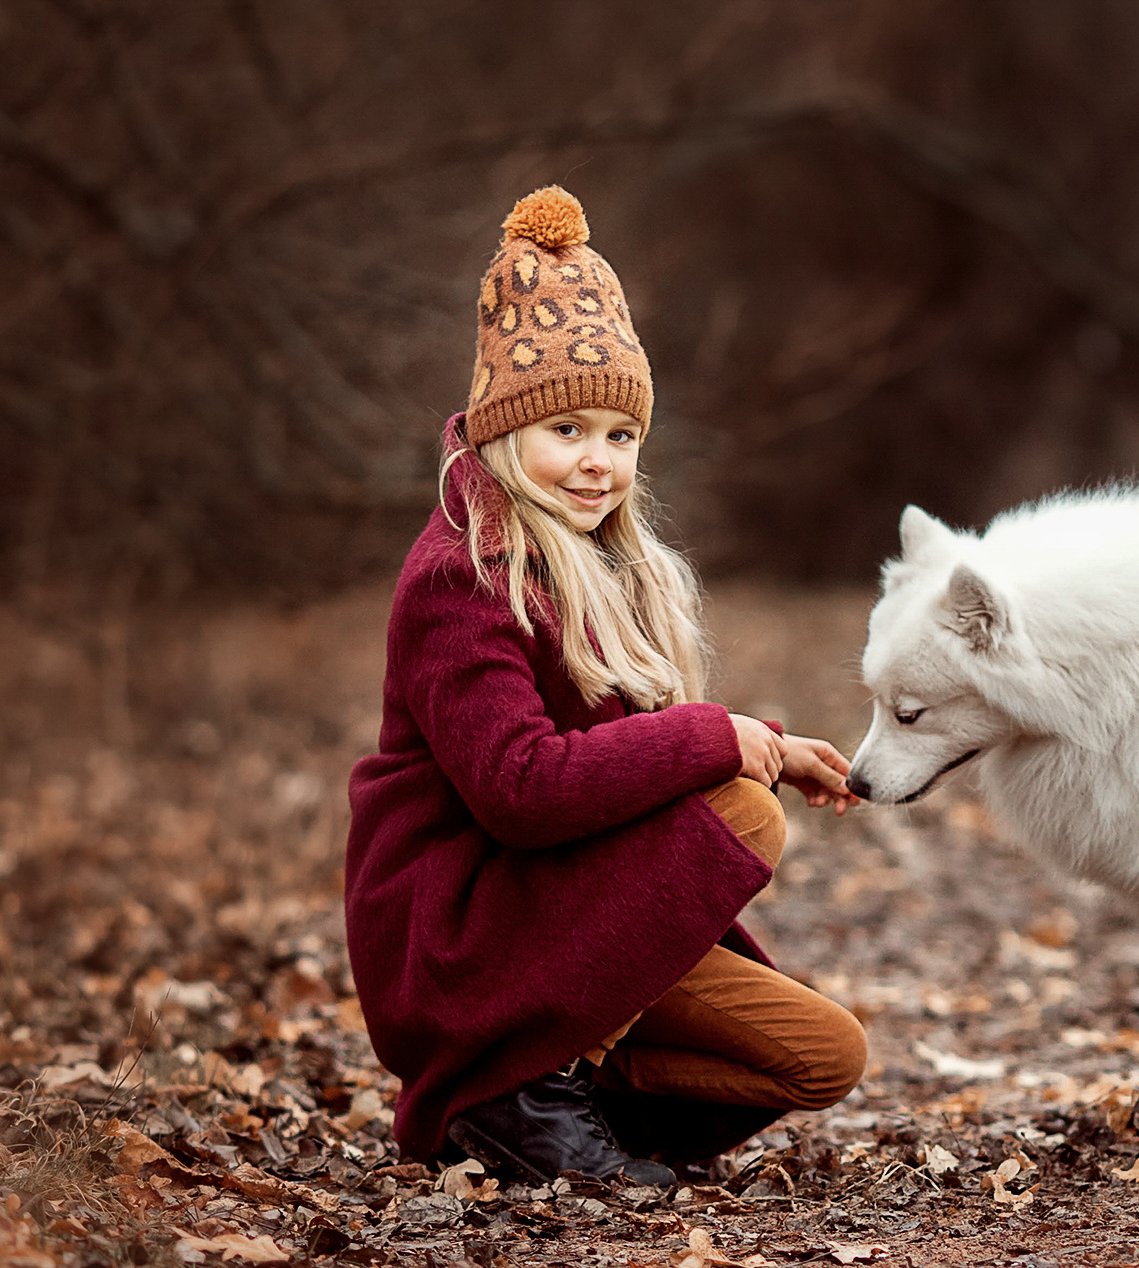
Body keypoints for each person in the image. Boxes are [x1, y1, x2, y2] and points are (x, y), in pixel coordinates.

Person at [345, 186, 867, 1188]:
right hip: (461, 942)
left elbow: (624, 757)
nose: (597, 463)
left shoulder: (591, 567)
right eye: (567, 431)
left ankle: (555, 1109)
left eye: (619, 436)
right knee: (742, 812)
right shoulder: (464, 574)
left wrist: (765, 736)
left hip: (549, 924)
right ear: (506, 434)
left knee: (822, 1054)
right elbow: (524, 787)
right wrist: (725, 742)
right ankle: (509, 1088)